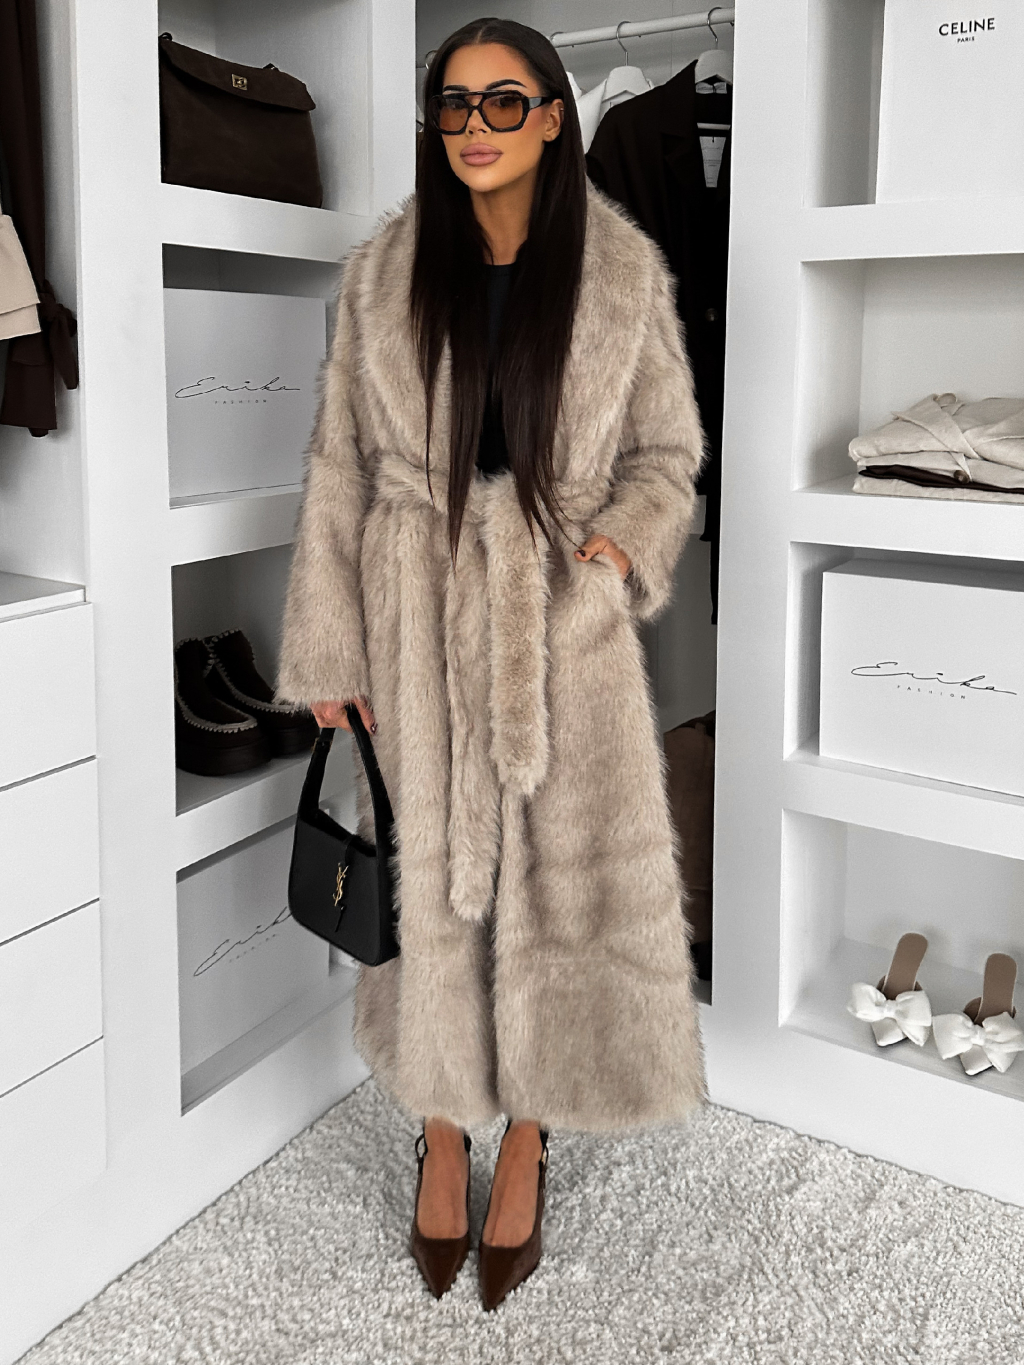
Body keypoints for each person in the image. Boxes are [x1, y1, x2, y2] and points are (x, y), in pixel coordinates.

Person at [277, 16, 707, 1311]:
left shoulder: (621, 272)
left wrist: (618, 557)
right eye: (455, 107)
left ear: (555, 116)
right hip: (413, 618)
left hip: (560, 628)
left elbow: (667, 458)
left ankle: (530, 1126)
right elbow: (340, 468)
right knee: (432, 880)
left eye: (502, 103)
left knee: (557, 885)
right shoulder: (385, 273)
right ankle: (443, 1121)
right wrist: (328, 644)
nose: (475, 128)